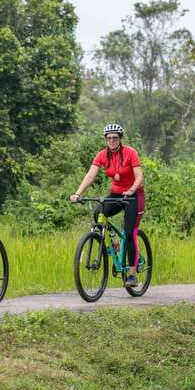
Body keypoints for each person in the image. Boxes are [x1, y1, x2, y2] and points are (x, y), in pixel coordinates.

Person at [70, 123, 145, 287]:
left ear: (120, 139)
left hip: (134, 196)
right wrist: (78, 193)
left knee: (131, 232)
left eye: (115, 138)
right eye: (109, 138)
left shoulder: (130, 153)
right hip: (117, 194)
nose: (112, 140)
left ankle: (132, 275)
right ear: (106, 139)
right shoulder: (102, 155)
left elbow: (139, 177)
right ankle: (115, 243)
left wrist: (131, 190)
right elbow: (90, 175)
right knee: (98, 213)